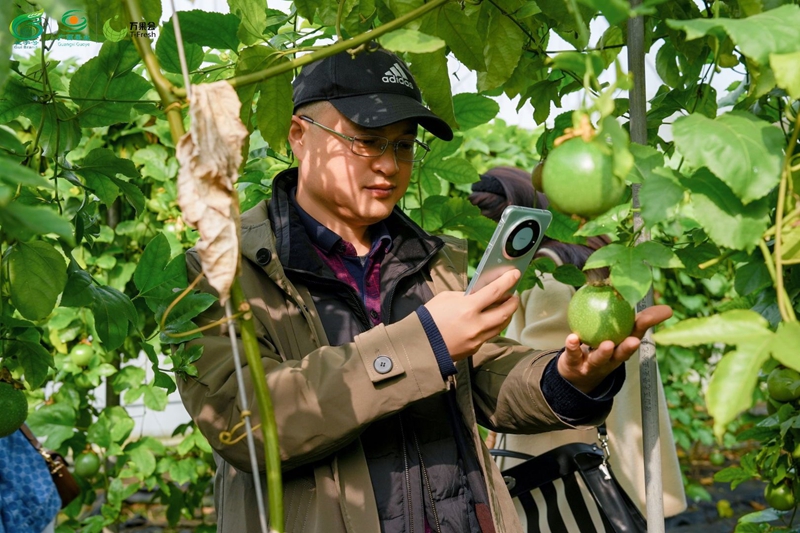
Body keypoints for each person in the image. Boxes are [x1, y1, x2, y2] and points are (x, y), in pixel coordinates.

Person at [176, 45, 673, 533]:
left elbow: (484, 375)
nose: (389, 166)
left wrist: (564, 378)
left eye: (404, 145)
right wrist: (426, 343)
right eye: (367, 141)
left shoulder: (436, 259)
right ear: (299, 136)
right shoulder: (218, 272)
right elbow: (244, 427)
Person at [469, 166, 687, 517]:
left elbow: (549, 376)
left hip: (568, 457)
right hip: (625, 442)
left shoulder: (547, 272)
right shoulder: (602, 255)